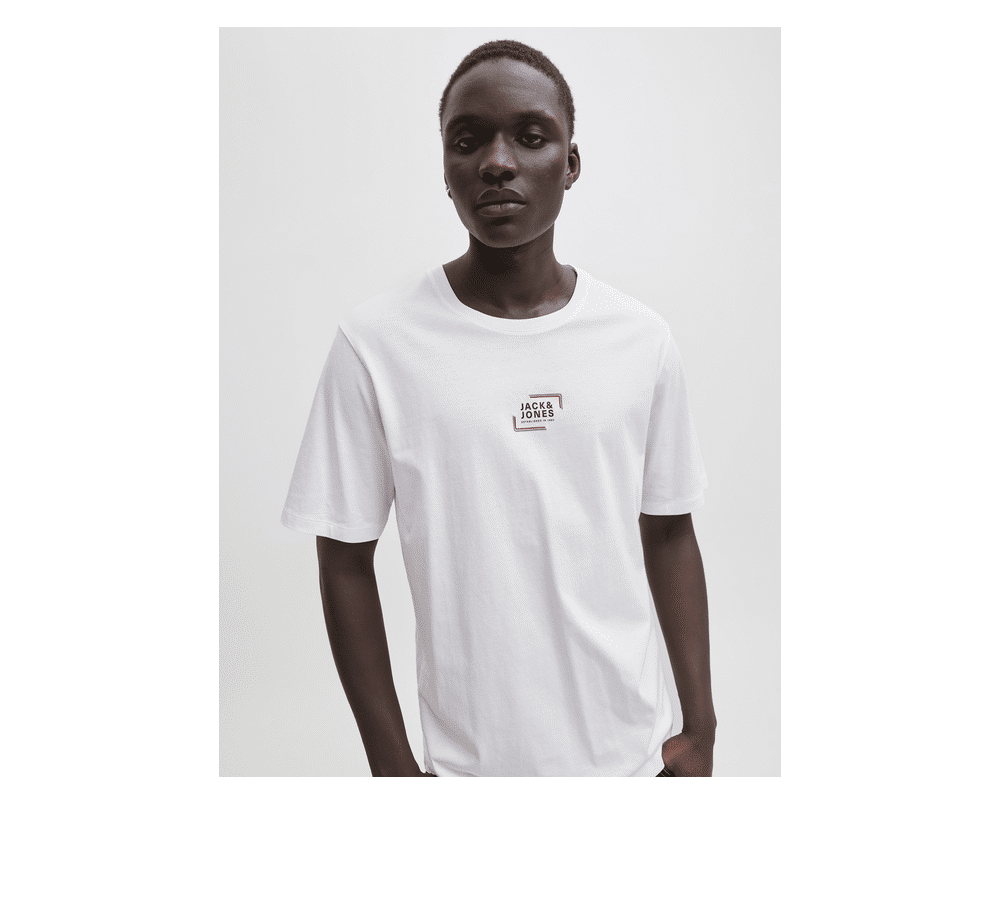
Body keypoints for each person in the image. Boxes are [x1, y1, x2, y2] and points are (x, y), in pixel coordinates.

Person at [281, 39, 715, 777]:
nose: (498, 162)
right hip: (469, 768)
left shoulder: (641, 340)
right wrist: (391, 767)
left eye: (531, 136)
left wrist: (700, 727)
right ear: (446, 171)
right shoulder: (377, 344)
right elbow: (344, 560)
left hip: (632, 759)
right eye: (468, 140)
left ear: (570, 164)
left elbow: (670, 531)